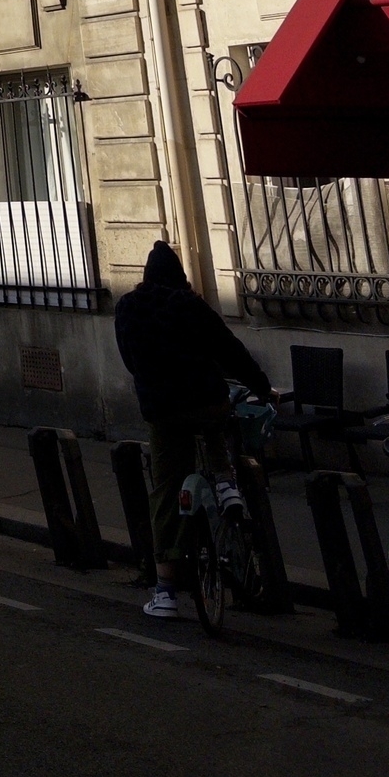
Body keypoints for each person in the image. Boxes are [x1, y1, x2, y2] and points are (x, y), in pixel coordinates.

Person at [113, 239, 271, 621]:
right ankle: (226, 485)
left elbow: (129, 359)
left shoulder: (128, 308)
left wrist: (153, 383)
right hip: (206, 401)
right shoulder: (191, 306)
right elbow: (230, 351)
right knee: (216, 423)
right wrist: (264, 388)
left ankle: (165, 593)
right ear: (180, 278)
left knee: (166, 492)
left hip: (163, 411)